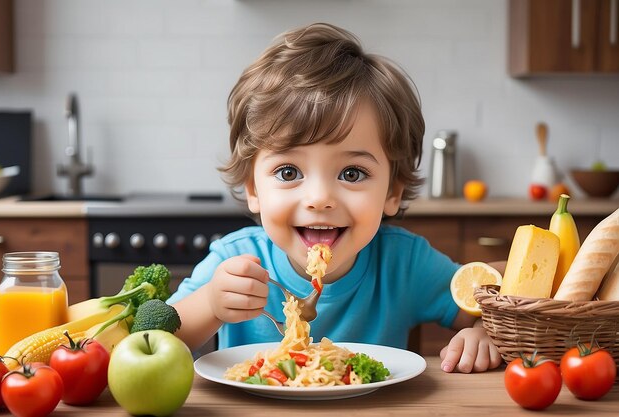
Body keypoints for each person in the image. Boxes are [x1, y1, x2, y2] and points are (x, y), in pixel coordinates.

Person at [168, 22, 503, 373]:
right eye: (288, 172)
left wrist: (484, 331)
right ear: (253, 189)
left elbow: (500, 293)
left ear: (392, 192)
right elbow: (149, 340)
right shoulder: (235, 260)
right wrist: (209, 304)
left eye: (352, 173)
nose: (319, 198)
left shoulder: (403, 263)